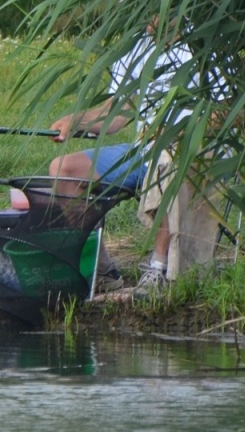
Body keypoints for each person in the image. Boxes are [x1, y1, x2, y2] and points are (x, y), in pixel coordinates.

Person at [44, 26, 196, 295]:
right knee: (63, 170)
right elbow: (117, 114)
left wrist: (179, 134)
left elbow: (229, 113)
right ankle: (100, 270)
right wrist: (75, 120)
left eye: (155, 12)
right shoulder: (136, 44)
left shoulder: (205, 42)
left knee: (166, 162)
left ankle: (159, 268)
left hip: (191, 152)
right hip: (142, 150)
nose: (149, 23)